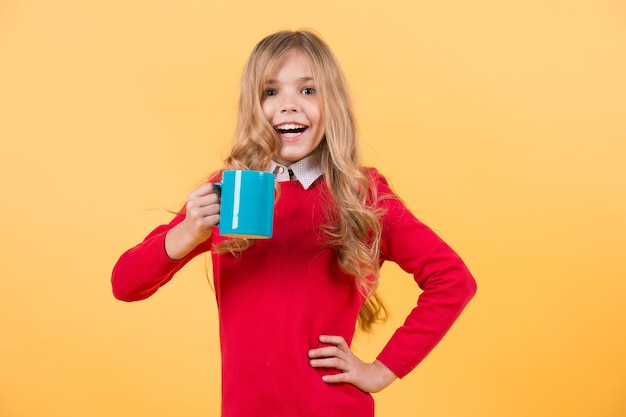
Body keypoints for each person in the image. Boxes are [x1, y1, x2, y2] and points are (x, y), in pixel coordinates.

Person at [112, 29, 477, 417]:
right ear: (252, 107)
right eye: (270, 92)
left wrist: (383, 370)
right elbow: (125, 284)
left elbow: (453, 279)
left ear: (332, 104)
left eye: (307, 91)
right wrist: (187, 232)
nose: (288, 105)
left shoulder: (361, 193)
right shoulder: (229, 190)